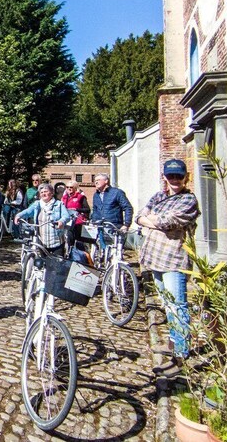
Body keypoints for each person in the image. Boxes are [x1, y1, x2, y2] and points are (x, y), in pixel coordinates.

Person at [136, 159, 200, 373]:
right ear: (164, 177)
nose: (174, 180)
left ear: (185, 177)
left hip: (174, 258)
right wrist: (155, 220)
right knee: (166, 302)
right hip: (155, 257)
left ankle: (181, 356)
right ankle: (173, 343)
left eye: (178, 176)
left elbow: (173, 221)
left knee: (178, 305)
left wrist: (153, 220)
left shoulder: (189, 200)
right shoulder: (159, 196)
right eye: (171, 176)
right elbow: (139, 216)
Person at [15, 183, 70, 255]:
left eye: (46, 191)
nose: (43, 194)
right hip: (42, 242)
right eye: (41, 192)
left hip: (57, 242)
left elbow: (66, 216)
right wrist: (19, 215)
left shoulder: (59, 204)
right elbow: (28, 211)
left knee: (57, 263)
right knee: (44, 263)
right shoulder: (37, 204)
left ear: (52, 193)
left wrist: (61, 221)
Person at [91, 173, 133, 250]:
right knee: (101, 251)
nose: (96, 182)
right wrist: (94, 222)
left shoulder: (117, 193)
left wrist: (126, 224)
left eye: (98, 180)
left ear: (106, 181)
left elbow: (128, 208)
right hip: (100, 227)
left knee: (115, 251)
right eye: (95, 181)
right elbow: (95, 210)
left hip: (114, 227)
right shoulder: (96, 195)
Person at [61, 180, 90, 248]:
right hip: (67, 221)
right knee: (68, 240)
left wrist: (76, 209)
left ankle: (79, 255)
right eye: (67, 187)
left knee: (78, 242)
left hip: (77, 222)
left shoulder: (80, 197)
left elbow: (87, 209)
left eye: (71, 187)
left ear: (75, 188)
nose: (69, 188)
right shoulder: (64, 197)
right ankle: (69, 253)